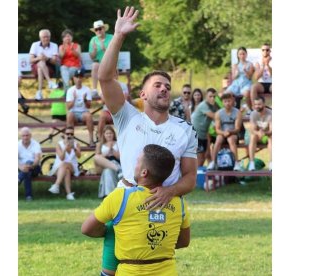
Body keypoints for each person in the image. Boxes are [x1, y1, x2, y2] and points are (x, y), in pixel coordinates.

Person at [97, 7, 197, 275]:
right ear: (142, 93)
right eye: (157, 84)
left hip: (163, 204)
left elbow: (189, 177)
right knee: (110, 272)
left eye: (167, 85)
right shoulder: (127, 116)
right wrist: (117, 36)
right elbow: (105, 77)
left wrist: (170, 191)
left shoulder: (186, 129)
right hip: (126, 202)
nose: (164, 87)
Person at [81, 144, 190, 276]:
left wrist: (116, 234)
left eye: (138, 161)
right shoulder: (180, 203)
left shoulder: (120, 197)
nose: (135, 165)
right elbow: (184, 241)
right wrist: (156, 248)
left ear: (144, 172)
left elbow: (87, 229)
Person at [207, 93, 243, 171]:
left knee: (231, 140)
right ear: (222, 102)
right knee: (218, 140)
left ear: (232, 101)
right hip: (222, 133)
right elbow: (217, 129)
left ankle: (236, 163)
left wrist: (230, 132)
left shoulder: (237, 112)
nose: (227, 103)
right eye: (225, 101)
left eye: (229, 101)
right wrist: (223, 133)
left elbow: (237, 128)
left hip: (233, 133)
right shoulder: (218, 113)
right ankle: (213, 162)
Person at [47, 126, 81, 200]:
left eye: (72, 134)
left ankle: (56, 185)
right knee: (66, 170)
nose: (69, 136)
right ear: (64, 134)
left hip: (72, 166)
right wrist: (65, 149)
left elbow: (79, 156)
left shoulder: (76, 144)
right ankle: (69, 194)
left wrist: (74, 148)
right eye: (67, 134)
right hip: (58, 167)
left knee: (65, 165)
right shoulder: (59, 144)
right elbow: (61, 158)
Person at [66, 69, 95, 147]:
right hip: (74, 113)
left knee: (89, 116)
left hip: (83, 113)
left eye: (80, 77)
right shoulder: (70, 90)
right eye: (77, 77)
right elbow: (68, 107)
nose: (78, 79)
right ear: (74, 78)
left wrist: (85, 100)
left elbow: (89, 106)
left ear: (82, 78)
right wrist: (74, 99)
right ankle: (70, 142)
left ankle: (91, 140)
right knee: (69, 115)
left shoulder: (87, 89)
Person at [97, 70, 130, 138]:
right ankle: (100, 138)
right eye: (111, 74)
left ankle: (126, 138)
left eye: (115, 74)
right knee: (102, 116)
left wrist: (109, 97)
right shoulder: (104, 85)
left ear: (117, 75)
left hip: (120, 111)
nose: (113, 76)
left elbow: (124, 99)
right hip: (108, 110)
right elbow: (103, 100)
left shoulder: (123, 85)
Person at [191, 88, 219, 167]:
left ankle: (211, 173)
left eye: (214, 97)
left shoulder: (213, 105)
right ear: (206, 96)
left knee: (207, 155)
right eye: (210, 96)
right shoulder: (204, 105)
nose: (212, 98)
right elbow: (215, 116)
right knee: (201, 159)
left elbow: (220, 112)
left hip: (204, 135)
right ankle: (195, 177)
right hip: (197, 135)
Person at [29, 29, 59, 100]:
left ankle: (39, 92)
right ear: (40, 38)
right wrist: (39, 58)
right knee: (40, 63)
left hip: (50, 68)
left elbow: (55, 62)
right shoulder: (35, 45)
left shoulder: (54, 45)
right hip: (35, 67)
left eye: (48, 37)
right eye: (44, 37)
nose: (46, 38)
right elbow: (31, 60)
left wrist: (46, 58)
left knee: (41, 67)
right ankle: (50, 82)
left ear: (50, 37)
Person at [94, 125, 122, 198]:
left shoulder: (118, 143)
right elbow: (97, 159)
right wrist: (106, 153)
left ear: (113, 134)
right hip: (104, 164)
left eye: (110, 133)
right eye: (107, 133)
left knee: (108, 171)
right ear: (104, 135)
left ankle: (109, 195)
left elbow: (122, 158)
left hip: (116, 161)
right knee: (97, 157)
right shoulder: (100, 144)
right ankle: (118, 169)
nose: (109, 135)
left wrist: (114, 152)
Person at [89, 20, 114, 97]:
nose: (98, 31)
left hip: (110, 62)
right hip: (99, 63)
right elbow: (92, 57)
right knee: (94, 65)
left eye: (100, 29)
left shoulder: (111, 37)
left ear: (104, 29)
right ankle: (94, 90)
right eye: (96, 29)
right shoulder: (93, 40)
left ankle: (104, 90)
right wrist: (95, 50)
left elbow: (114, 53)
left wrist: (104, 49)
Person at [248, 96, 272, 171]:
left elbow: (272, 130)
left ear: (264, 104)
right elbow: (252, 129)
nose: (257, 106)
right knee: (253, 137)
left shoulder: (271, 114)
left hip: (267, 135)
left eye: (259, 104)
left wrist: (264, 133)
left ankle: (272, 163)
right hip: (258, 135)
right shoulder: (253, 114)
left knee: (272, 138)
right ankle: (252, 163)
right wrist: (258, 132)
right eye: (255, 105)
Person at [18, 127, 42, 201]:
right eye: (23, 135)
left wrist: (31, 166)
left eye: (27, 135)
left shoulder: (36, 144)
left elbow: (37, 159)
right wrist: (21, 167)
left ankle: (18, 178)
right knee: (27, 173)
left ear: (30, 135)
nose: (25, 137)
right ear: (21, 136)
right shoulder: (17, 145)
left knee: (29, 163)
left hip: (35, 167)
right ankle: (28, 196)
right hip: (21, 168)